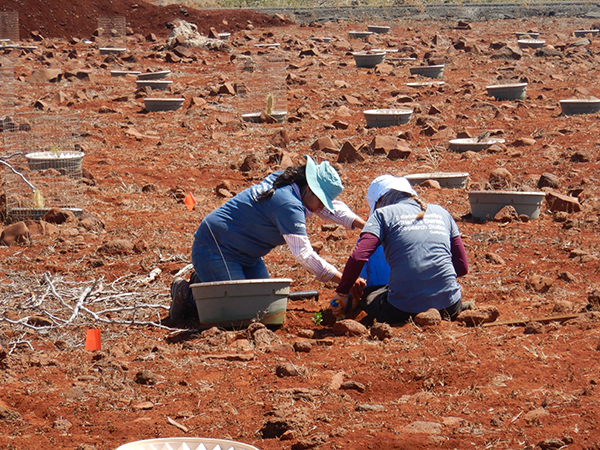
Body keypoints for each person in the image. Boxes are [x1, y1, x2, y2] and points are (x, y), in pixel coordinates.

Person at [169, 155, 366, 320]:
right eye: (322, 201)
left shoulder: (290, 180)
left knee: (262, 307)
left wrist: (365, 227)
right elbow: (304, 255)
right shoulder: (288, 205)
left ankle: (205, 280)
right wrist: (344, 280)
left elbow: (332, 210)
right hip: (215, 249)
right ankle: (189, 294)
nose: (322, 208)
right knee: (239, 314)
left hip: (247, 256)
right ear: (309, 187)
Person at [331, 174, 470, 325]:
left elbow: (358, 257)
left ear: (381, 199)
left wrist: (342, 292)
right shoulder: (442, 212)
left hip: (402, 311)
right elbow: (462, 268)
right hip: (450, 306)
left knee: (369, 295)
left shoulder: (382, 214)